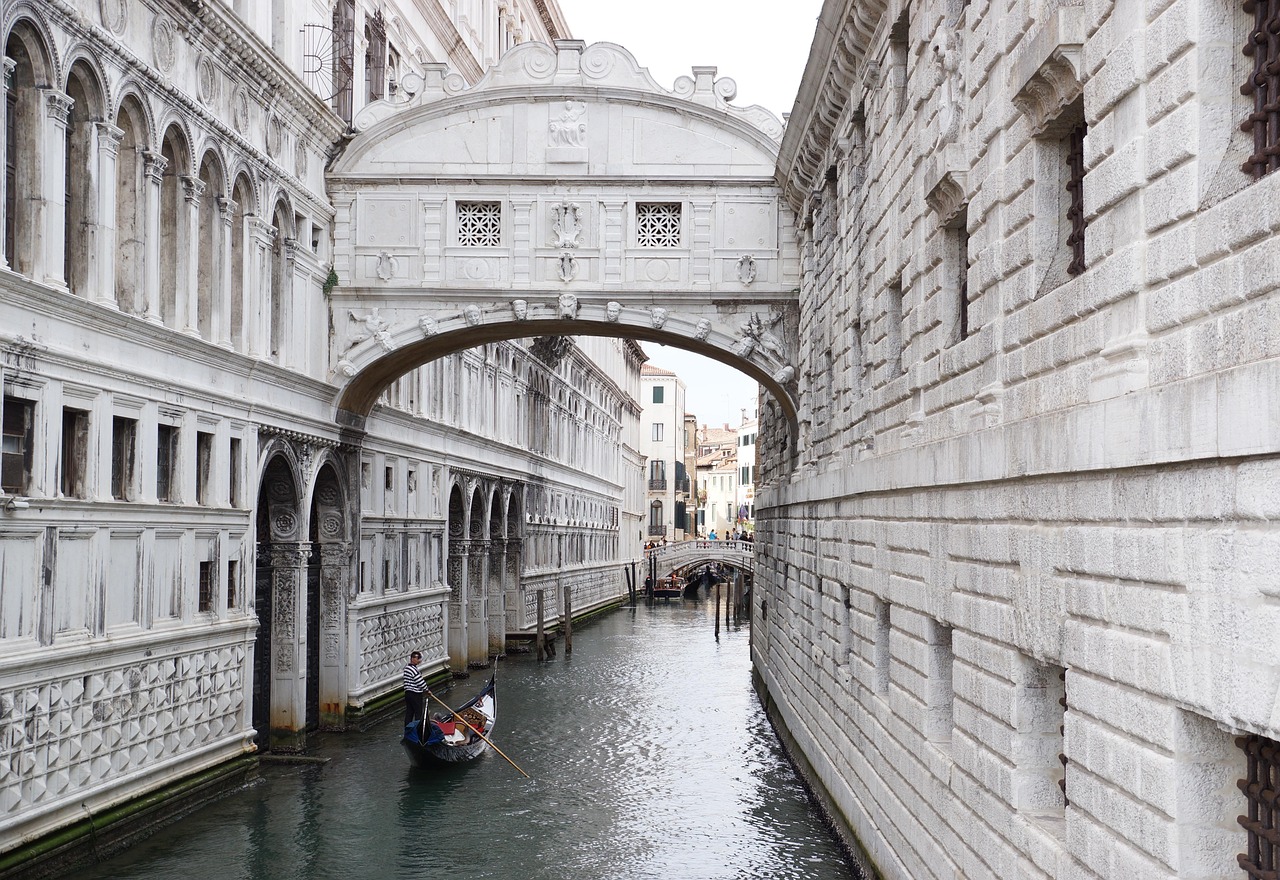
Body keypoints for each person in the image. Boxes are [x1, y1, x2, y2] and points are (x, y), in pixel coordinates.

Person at [403, 650, 431, 732]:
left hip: (408, 694)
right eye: (418, 658)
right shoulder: (413, 670)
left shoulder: (406, 668)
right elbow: (420, 682)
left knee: (409, 712)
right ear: (413, 658)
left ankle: (407, 730)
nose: (419, 660)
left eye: (419, 658)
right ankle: (418, 730)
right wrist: (427, 690)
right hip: (415, 694)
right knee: (418, 713)